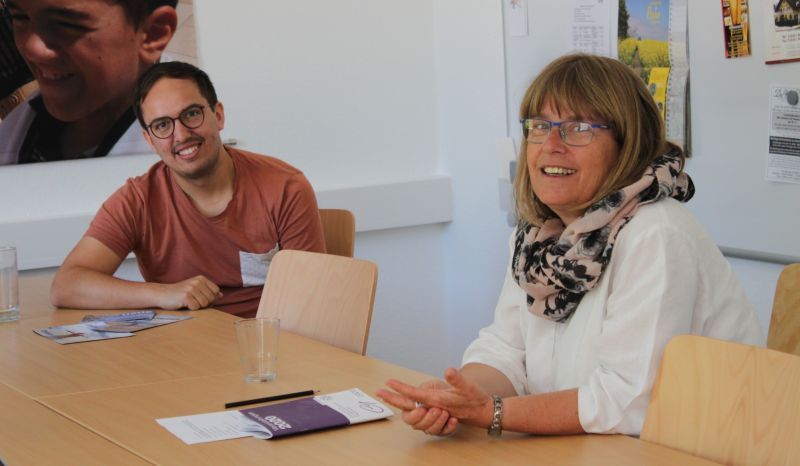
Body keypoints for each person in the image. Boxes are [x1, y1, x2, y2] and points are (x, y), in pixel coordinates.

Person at [377, 54, 763, 437]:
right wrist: (457, 398)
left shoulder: (656, 235)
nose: (552, 144)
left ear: (627, 144)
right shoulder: (536, 238)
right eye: (540, 126)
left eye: (578, 128)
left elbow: (625, 401)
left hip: (702, 449)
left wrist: (492, 413)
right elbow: (505, 349)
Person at [50, 61, 326, 317]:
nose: (181, 135)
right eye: (162, 125)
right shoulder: (138, 200)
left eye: (191, 114)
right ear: (149, 139)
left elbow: (309, 303)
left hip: (268, 352)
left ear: (218, 115)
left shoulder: (284, 187)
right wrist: (162, 293)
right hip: (182, 354)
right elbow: (67, 285)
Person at [0, 0, 178, 164]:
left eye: (66, 24)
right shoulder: (21, 126)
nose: (33, 49)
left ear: (152, 34)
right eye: (20, 17)